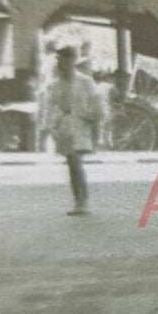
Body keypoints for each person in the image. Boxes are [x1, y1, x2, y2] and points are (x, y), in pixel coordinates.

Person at [38, 46, 106, 216]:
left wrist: (91, 118)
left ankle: (82, 201)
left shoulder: (85, 82)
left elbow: (98, 104)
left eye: (65, 60)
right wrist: (49, 127)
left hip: (81, 126)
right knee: (72, 164)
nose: (62, 64)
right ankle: (79, 200)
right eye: (60, 60)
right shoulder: (55, 84)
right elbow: (49, 106)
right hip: (65, 128)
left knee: (75, 162)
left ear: (72, 61)